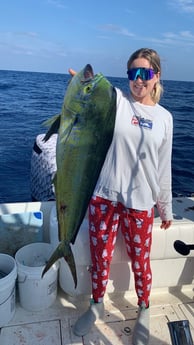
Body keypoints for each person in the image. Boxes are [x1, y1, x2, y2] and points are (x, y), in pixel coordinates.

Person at [71, 48, 173, 345]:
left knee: (141, 261)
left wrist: (165, 209)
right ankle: (96, 304)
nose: (138, 81)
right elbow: (93, 90)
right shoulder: (118, 102)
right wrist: (80, 82)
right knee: (99, 258)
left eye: (145, 74)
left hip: (140, 201)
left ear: (157, 76)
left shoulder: (165, 118)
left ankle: (143, 307)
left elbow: (163, 169)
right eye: (133, 74)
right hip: (104, 195)